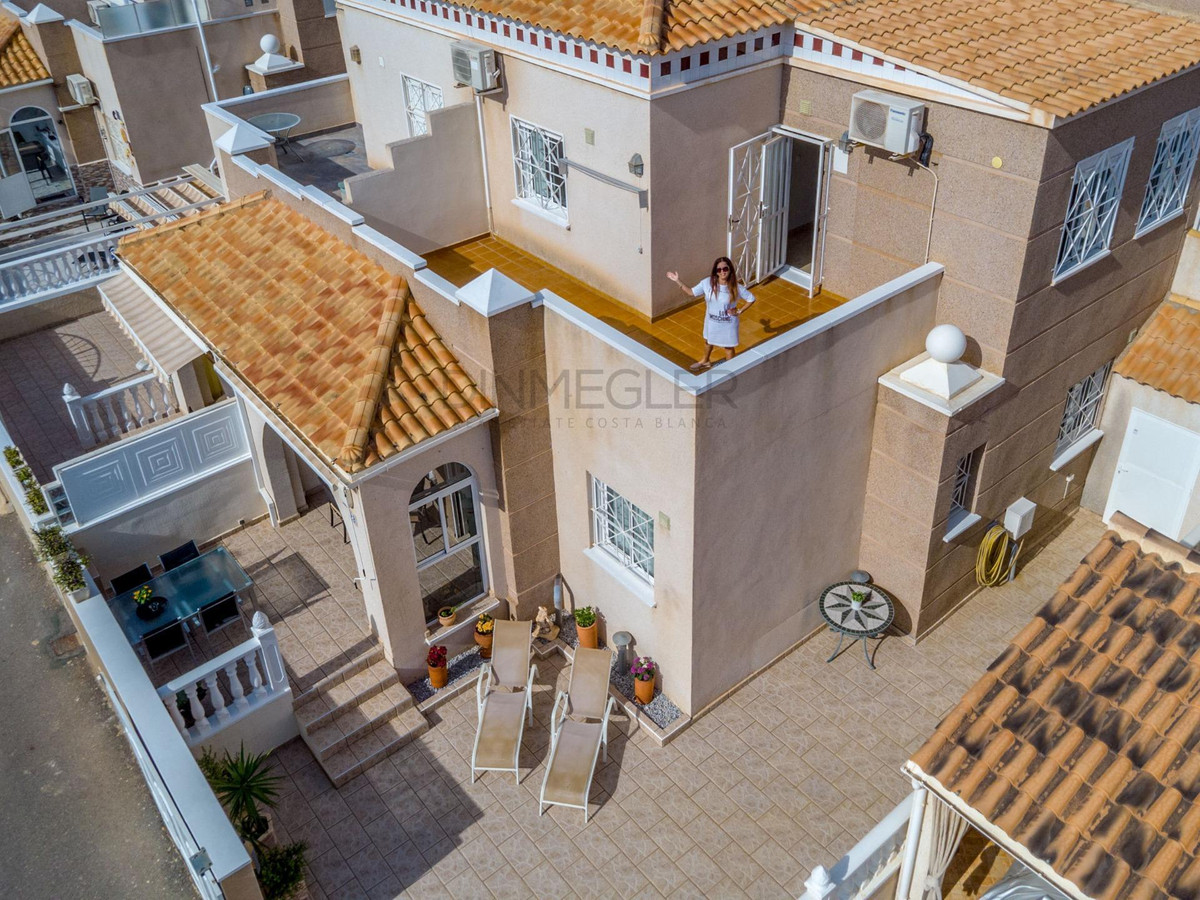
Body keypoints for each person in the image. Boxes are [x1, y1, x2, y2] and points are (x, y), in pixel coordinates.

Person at [667, 257, 756, 371]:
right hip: (711, 322)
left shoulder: (736, 287)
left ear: (730, 270)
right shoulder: (707, 283)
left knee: (728, 347)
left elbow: (751, 298)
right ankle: (705, 361)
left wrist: (739, 311)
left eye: (725, 269)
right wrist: (677, 280)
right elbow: (691, 292)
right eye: (719, 270)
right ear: (715, 272)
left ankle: (731, 370)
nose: (722, 272)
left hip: (728, 324)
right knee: (708, 341)